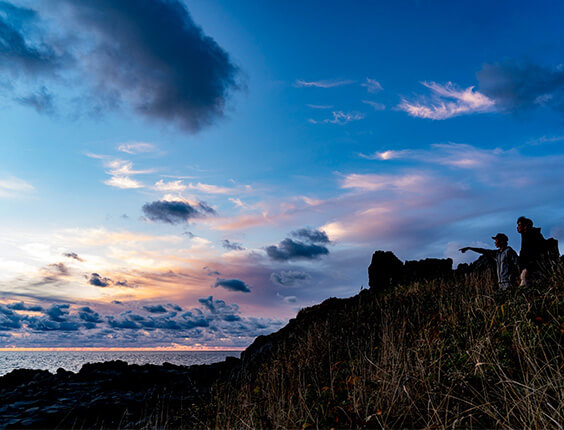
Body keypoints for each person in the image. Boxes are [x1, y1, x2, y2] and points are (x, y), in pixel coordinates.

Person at [516, 216, 546, 286]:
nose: (517, 227)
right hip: (527, 268)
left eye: (519, 225)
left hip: (532, 269)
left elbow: (534, 254)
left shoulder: (532, 236)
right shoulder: (525, 236)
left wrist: (528, 268)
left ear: (525, 226)